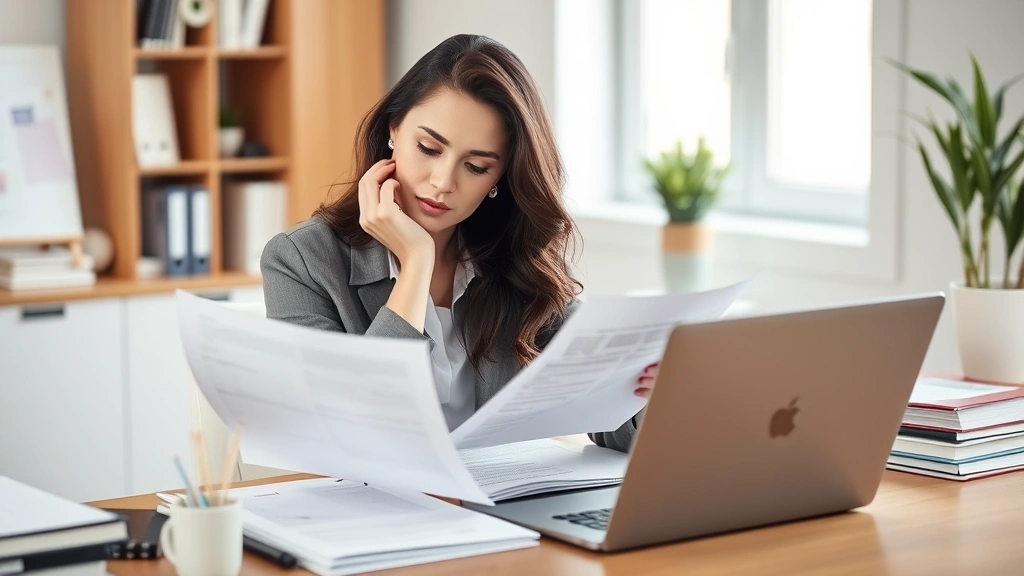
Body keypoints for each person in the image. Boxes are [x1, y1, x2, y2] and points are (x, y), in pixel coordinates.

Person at [261, 34, 654, 453]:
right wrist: (415, 264)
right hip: (373, 508)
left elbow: (607, 421)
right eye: (428, 148)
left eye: (475, 166)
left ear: (500, 177)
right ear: (393, 130)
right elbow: (357, 430)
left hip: (502, 510)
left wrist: (644, 390)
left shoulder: (518, 262)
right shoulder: (300, 261)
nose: (443, 182)